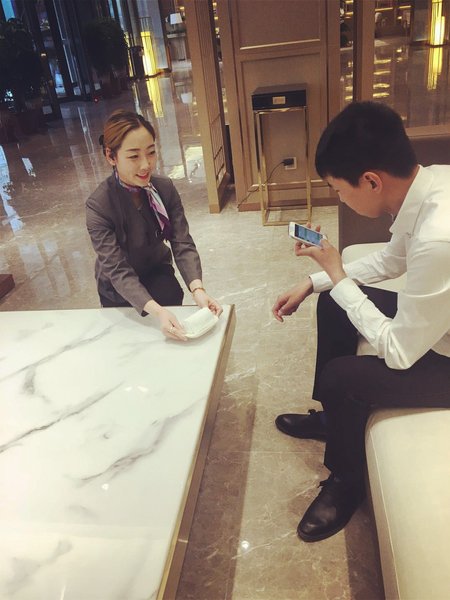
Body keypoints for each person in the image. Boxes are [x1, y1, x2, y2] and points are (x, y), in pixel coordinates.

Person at [272, 101, 450, 542]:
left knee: (343, 376)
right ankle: (332, 419)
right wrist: (315, 281)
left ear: (371, 181)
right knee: (334, 302)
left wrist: (338, 274)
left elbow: (400, 351)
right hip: (441, 324)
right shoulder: (431, 184)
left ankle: (346, 480)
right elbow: (391, 260)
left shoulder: (438, 235)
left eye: (339, 189)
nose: (340, 198)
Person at [86, 109, 222, 340]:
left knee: (172, 333)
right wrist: (158, 312)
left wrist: (198, 289)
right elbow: (117, 270)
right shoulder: (99, 206)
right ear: (111, 156)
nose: (145, 165)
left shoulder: (163, 188)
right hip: (118, 290)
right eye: (133, 156)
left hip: (157, 273)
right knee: (131, 344)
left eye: (151, 153)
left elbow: (181, 241)